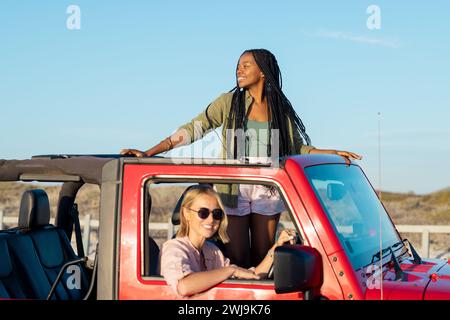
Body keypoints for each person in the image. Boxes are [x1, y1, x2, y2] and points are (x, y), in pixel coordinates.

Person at [121, 48, 362, 268]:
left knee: (262, 255)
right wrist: (150, 152)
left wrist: (330, 152)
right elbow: (193, 129)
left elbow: (298, 147)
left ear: (263, 71)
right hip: (233, 187)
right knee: (236, 256)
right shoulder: (229, 102)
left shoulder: (280, 109)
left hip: (268, 188)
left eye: (246, 65)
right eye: (238, 65)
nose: (239, 70)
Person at [159, 185, 296, 297]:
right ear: (186, 214)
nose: (211, 220)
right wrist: (231, 270)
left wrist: (276, 248)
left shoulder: (212, 251)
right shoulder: (174, 249)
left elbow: (250, 275)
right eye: (203, 213)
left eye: (217, 214)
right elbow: (184, 286)